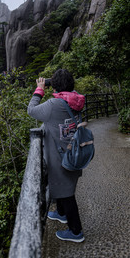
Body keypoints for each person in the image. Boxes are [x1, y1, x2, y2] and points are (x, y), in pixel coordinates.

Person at [27, 69, 86, 243]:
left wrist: (39, 89)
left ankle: (76, 231)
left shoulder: (54, 105)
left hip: (60, 158)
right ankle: (61, 213)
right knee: (65, 185)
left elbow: (31, 110)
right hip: (74, 152)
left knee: (67, 193)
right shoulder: (76, 99)